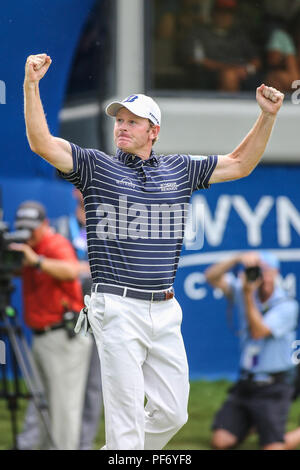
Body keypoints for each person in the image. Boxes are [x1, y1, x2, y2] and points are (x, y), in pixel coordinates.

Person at [23, 52, 284, 450]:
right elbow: (41, 142)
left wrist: (267, 116)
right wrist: (30, 85)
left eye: (132, 121)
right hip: (117, 308)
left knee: (173, 414)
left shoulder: (179, 168)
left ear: (154, 131)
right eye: (119, 121)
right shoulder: (96, 166)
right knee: (126, 424)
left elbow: (240, 164)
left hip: (165, 309)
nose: (122, 127)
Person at [16, 190, 103, 451]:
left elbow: (70, 270)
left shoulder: (55, 243)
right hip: (55, 326)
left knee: (83, 394)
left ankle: (80, 445)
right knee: (46, 399)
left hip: (85, 319)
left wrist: (40, 262)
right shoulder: (62, 227)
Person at [205, 251, 300, 450]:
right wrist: (237, 258)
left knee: (273, 448)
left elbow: (258, 332)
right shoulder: (243, 290)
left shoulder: (288, 305)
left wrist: (248, 295)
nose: (261, 276)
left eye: (265, 271)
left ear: (275, 273)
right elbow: (211, 277)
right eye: (256, 271)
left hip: (274, 386)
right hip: (247, 383)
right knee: (220, 442)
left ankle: (277, 429)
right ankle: (254, 423)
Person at [54, 188, 103, 450]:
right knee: (61, 383)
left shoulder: (108, 226)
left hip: (101, 316)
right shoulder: (62, 227)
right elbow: (58, 269)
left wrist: (76, 270)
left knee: (95, 385)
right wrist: (80, 270)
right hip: (68, 317)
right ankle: (58, 441)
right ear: (75, 190)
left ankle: (83, 444)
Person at [183, 0, 261, 91]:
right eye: (221, 12)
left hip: (241, 75)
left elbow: (256, 60)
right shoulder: (200, 33)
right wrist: (227, 69)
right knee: (229, 75)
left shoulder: (239, 35)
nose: (225, 16)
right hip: (209, 75)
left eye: (229, 13)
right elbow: (195, 59)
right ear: (213, 13)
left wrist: (247, 69)